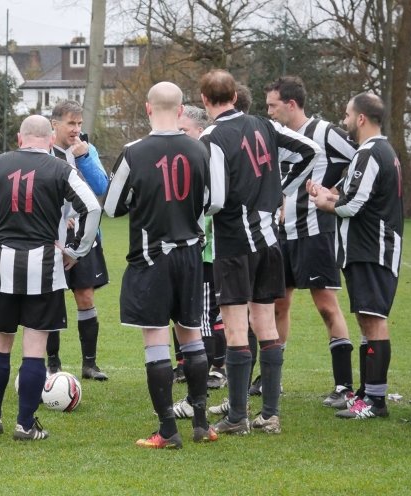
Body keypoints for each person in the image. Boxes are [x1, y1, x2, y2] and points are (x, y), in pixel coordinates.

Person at [0, 115, 101, 441]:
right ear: (49, 141)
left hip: (3, 264)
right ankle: (25, 423)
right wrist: (75, 252)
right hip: (44, 266)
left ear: (20, 138)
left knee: (0, 344)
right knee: (34, 347)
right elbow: (92, 206)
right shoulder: (60, 168)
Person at [199, 69, 320, 435]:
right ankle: (269, 414)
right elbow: (310, 151)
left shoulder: (211, 136)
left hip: (234, 242)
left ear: (205, 101)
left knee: (236, 330)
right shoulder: (264, 125)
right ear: (235, 96)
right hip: (269, 241)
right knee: (265, 325)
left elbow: (216, 198)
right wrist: (281, 189)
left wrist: (199, 211)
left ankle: (237, 417)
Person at [105, 82, 213, 449]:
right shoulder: (201, 149)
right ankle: (201, 423)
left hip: (152, 257)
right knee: (191, 334)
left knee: (155, 340)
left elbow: (112, 206)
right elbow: (213, 201)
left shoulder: (133, 152)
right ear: (182, 109)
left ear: (148, 110)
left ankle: (168, 430)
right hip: (190, 254)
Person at [309, 92, 402, 420]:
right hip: (365, 250)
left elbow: (351, 206)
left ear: (361, 118)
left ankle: (375, 401)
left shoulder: (371, 152)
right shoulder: (376, 152)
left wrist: (324, 204)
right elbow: (350, 195)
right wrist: (327, 192)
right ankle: (367, 393)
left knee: (374, 320)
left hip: (372, 250)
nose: (344, 121)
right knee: (367, 318)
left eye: (348, 115)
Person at [265, 76, 357, 408]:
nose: (269, 112)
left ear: (291, 104)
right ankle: (270, 379)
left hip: (316, 233)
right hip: (281, 233)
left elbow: (362, 158)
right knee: (278, 304)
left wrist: (341, 193)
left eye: (273, 105)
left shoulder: (325, 132)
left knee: (325, 305)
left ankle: (344, 386)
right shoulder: (274, 136)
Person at [46, 100, 110, 380]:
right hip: (53, 236)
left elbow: (101, 187)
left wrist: (84, 157)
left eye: (79, 124)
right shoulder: (45, 152)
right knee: (51, 299)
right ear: (54, 124)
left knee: (85, 296)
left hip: (86, 234)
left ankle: (89, 364)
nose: (75, 130)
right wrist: (59, 214)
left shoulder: (87, 150)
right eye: (70, 124)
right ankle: (52, 364)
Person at [172, 106, 227, 395]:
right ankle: (185, 363)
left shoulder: (206, 156)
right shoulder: (183, 158)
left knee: (205, 314)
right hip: (183, 249)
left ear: (200, 131)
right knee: (182, 309)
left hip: (206, 251)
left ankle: (213, 369)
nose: (179, 136)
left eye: (184, 131)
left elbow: (213, 205)